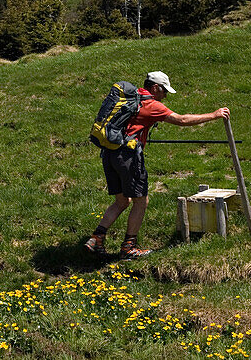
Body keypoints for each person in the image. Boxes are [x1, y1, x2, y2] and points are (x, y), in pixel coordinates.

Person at [84, 71, 229, 259]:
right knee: (141, 201)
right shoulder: (151, 105)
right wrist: (214, 115)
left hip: (110, 153)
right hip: (128, 157)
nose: (165, 96)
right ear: (154, 88)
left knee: (122, 201)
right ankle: (129, 247)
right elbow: (181, 120)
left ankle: (97, 238)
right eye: (164, 91)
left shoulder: (131, 99)